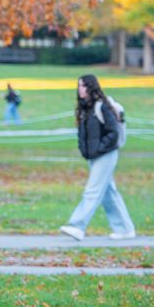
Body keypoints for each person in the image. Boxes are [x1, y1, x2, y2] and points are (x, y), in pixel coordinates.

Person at [59, 74, 136, 241]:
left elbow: (113, 132)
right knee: (109, 193)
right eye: (79, 85)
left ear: (91, 87)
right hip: (94, 156)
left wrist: (100, 149)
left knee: (92, 190)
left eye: (84, 86)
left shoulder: (102, 107)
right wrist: (86, 151)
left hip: (106, 154)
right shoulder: (84, 109)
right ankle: (125, 229)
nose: (80, 89)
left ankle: (77, 226)